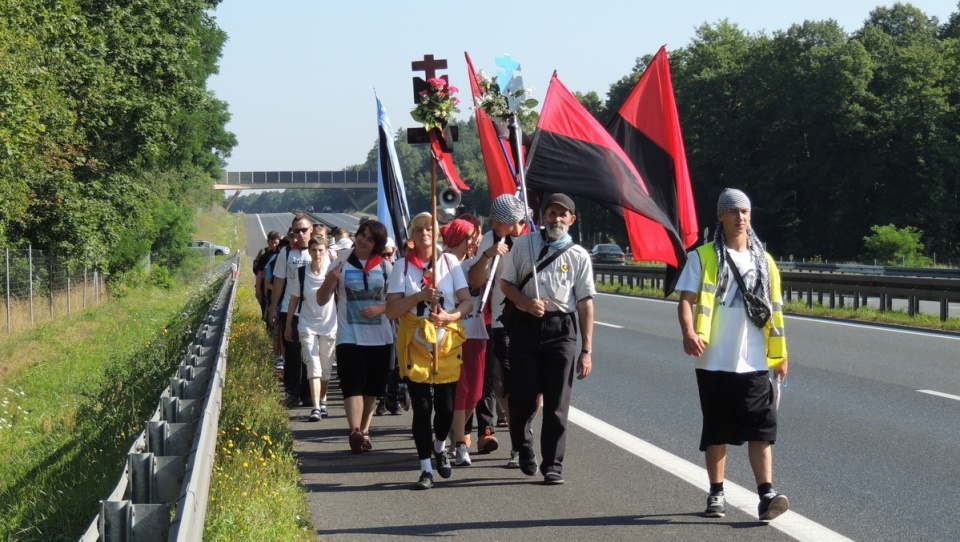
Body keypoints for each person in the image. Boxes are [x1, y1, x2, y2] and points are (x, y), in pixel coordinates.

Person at [676, 188, 790, 521]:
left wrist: (781, 354)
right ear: (720, 217)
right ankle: (716, 492)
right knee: (717, 429)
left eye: (745, 212)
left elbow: (776, 311)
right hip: (715, 358)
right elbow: (686, 300)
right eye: (733, 212)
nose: (740, 218)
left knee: (762, 429)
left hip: (755, 359)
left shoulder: (764, 261)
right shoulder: (704, 257)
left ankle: (766, 494)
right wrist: (688, 332)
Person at [500, 193, 595, 485]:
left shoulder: (579, 256)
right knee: (523, 398)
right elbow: (506, 283)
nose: (556, 219)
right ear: (543, 217)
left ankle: (553, 464)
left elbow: (585, 303)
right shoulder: (524, 244)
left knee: (557, 402)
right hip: (526, 326)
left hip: (561, 330)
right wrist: (525, 303)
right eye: (551, 213)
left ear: (571, 220)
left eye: (562, 215)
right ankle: (524, 446)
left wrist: (587, 349)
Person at [386, 212, 472, 490]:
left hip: (445, 339)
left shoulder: (449, 262)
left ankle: (440, 446)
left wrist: (451, 317)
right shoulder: (402, 266)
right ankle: (425, 469)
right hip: (416, 342)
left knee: (446, 408)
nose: (425, 232)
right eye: (419, 228)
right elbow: (392, 310)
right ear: (412, 236)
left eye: (429, 228)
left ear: (437, 234)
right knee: (422, 408)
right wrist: (420, 296)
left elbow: (466, 302)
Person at [316, 219, 394, 454]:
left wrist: (380, 309)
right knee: (352, 385)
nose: (363, 240)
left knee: (371, 389)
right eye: (361, 235)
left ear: (377, 245)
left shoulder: (385, 267)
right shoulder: (340, 261)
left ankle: (364, 431)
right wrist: (331, 278)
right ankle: (354, 431)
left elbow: (397, 301)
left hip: (380, 336)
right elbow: (321, 299)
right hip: (349, 335)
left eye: (370, 239)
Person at [467, 193, 529, 466]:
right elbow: (475, 281)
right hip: (497, 321)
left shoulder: (533, 240)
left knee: (525, 387)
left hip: (528, 320)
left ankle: (521, 435)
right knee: (498, 381)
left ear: (514, 221)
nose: (494, 223)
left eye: (499, 220)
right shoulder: (490, 239)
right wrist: (488, 256)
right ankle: (499, 434)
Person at [441, 217, 484, 467]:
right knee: (461, 391)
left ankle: (453, 430)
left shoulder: (473, 265)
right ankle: (459, 443)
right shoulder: (443, 265)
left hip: (476, 333)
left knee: (475, 394)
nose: (473, 242)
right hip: (451, 335)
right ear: (459, 238)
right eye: (470, 237)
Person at [285, 236, 337, 422]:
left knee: (325, 367)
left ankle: (323, 400)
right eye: (314, 250)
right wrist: (288, 325)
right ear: (309, 252)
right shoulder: (301, 273)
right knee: (312, 364)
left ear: (326, 251)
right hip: (307, 323)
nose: (317, 254)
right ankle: (315, 407)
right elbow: (293, 300)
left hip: (329, 324)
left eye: (321, 250)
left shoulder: (332, 272)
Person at [269, 215, 314, 407]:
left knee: (310, 353)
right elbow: (279, 281)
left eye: (304, 230)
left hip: (313, 311)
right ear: (293, 233)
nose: (301, 234)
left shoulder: (321, 252)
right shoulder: (286, 253)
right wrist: (273, 307)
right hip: (291, 310)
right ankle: (292, 393)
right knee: (293, 352)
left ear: (311, 230)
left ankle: (308, 393)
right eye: (297, 231)